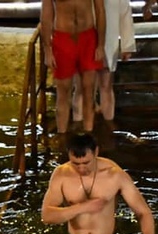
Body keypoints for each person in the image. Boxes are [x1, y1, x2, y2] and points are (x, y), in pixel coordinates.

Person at [41, 132, 158, 234]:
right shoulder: (61, 175)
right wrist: (82, 207)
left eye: (86, 162)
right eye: (75, 163)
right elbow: (47, 216)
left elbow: (144, 212)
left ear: (96, 152)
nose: (81, 168)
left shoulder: (115, 175)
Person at [40, 0, 106, 134]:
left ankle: (89, 134)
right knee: (63, 92)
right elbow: (46, 14)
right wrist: (47, 49)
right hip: (63, 37)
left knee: (89, 90)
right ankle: (62, 136)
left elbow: (100, 11)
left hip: (88, 37)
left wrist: (100, 44)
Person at [72, 0, 137, 123]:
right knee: (81, 87)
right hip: (83, 37)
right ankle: (79, 125)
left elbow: (124, 11)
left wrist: (127, 45)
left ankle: (108, 123)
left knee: (106, 85)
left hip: (108, 39)